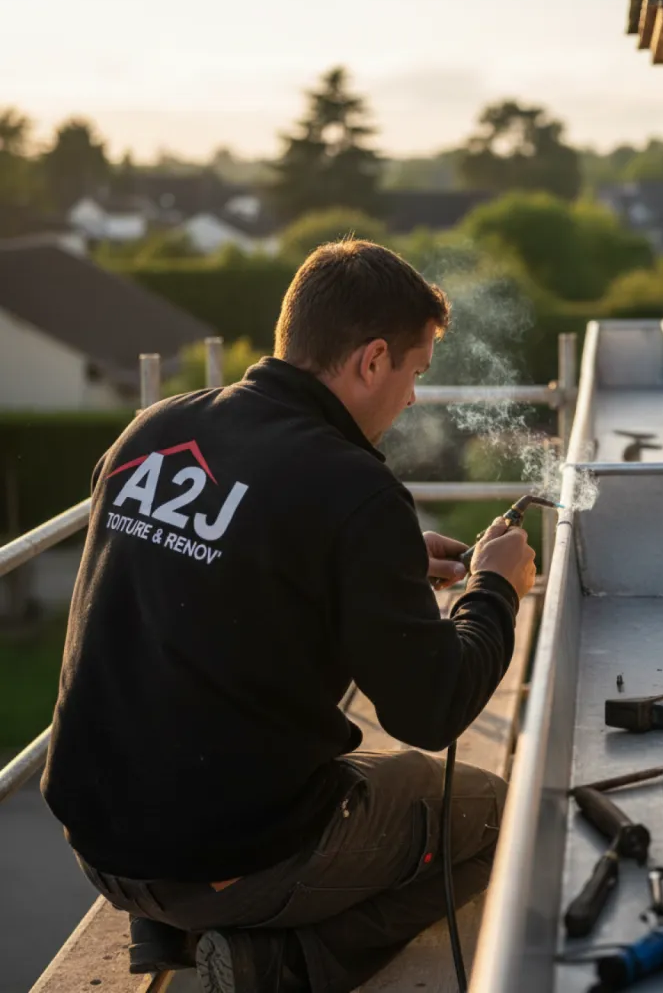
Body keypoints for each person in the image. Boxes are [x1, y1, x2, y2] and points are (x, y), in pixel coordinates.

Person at [41, 240, 537, 993]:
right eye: (415, 373)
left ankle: (176, 922)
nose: (412, 399)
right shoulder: (354, 487)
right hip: (226, 858)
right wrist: (494, 589)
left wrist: (383, 563)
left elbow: (210, 569)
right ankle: (276, 963)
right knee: (500, 816)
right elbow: (432, 710)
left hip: (99, 836)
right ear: (373, 360)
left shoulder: (153, 429)